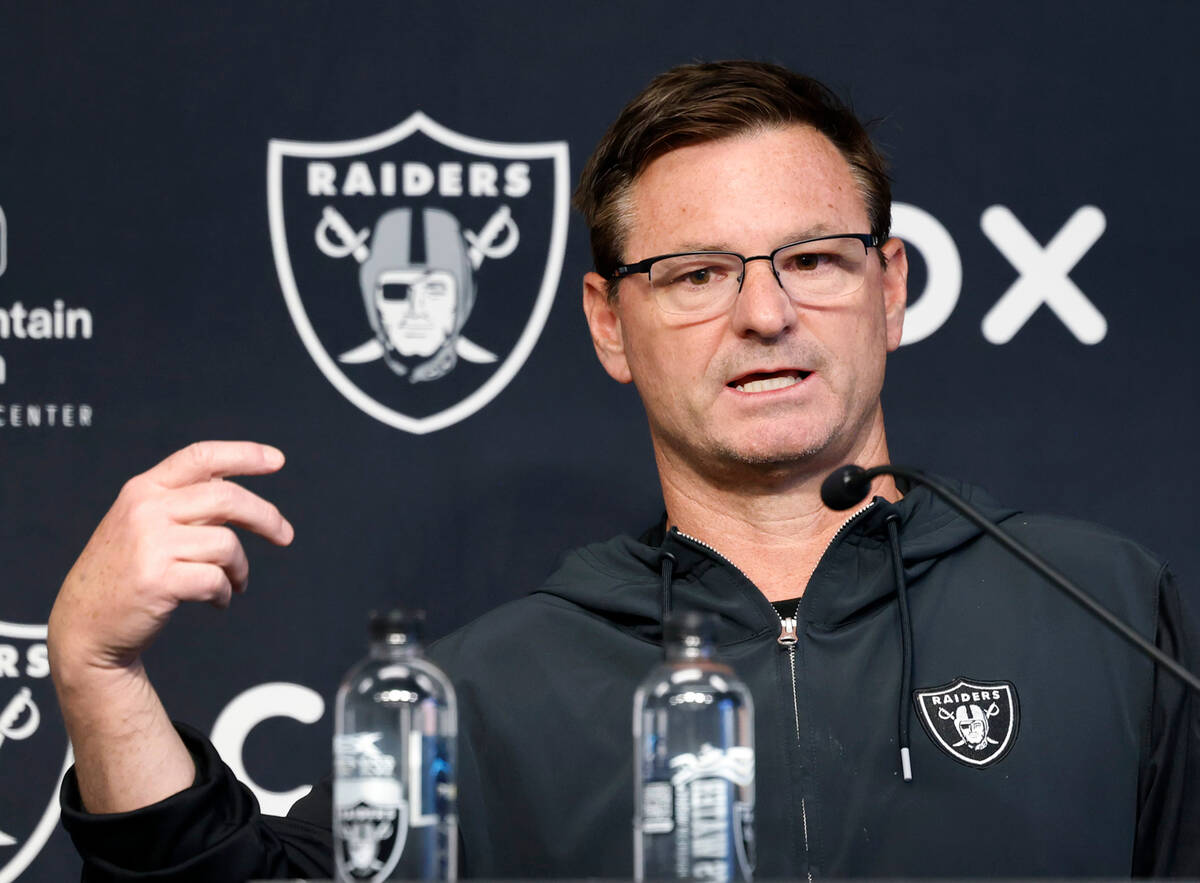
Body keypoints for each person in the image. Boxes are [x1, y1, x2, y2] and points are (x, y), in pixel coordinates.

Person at [49, 61, 1198, 880]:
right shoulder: (481, 696)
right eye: (697, 273)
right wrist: (101, 676)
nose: (765, 312)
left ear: (890, 287)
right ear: (609, 323)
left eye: (810, 258)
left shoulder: (1100, 612)